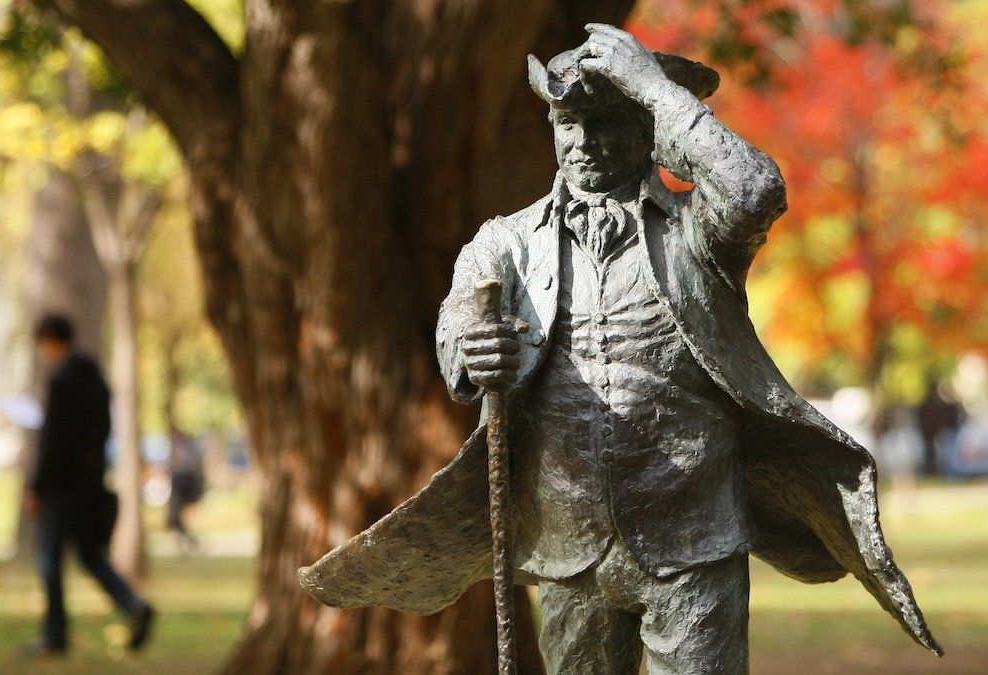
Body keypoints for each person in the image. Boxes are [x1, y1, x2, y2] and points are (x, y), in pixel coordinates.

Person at [299, 24, 940, 673]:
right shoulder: (507, 243)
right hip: (566, 542)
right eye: (568, 121)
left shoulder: (700, 232)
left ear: (648, 126)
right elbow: (458, 319)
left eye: (606, 120)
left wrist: (658, 92)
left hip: (693, 535)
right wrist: (471, 345)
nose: (582, 142)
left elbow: (755, 191)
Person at [24, 313, 154, 656]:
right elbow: (102, 434)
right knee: (89, 554)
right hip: (90, 485)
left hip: (61, 487)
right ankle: (133, 605)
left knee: (49, 558)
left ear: (51, 339)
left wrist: (37, 486)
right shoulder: (96, 379)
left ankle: (55, 635)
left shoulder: (61, 382)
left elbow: (53, 441)